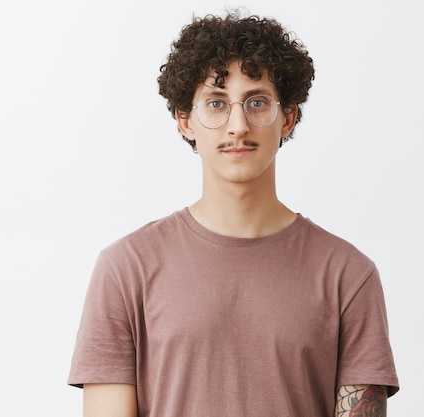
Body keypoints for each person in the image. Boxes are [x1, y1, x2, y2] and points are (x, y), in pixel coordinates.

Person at [67, 11, 399, 417]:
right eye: (217, 103)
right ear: (185, 119)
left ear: (288, 117)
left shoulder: (349, 276)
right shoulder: (125, 270)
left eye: (256, 102)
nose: (237, 125)